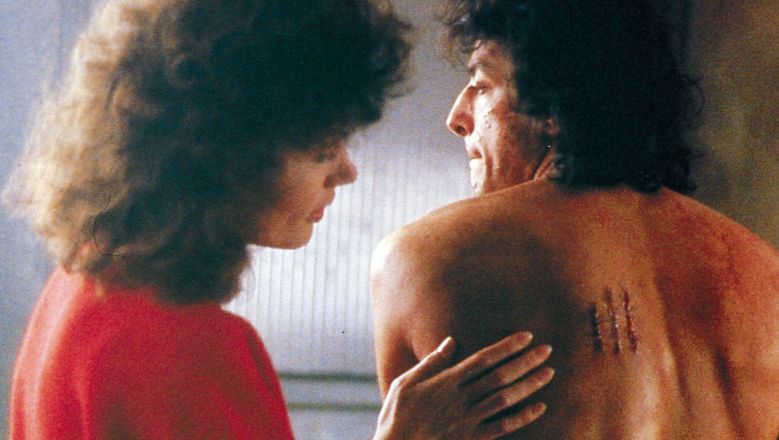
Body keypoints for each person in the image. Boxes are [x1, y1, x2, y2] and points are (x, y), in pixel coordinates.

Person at [2, 0, 556, 439]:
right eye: (321, 150)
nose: (346, 171)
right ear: (226, 154)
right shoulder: (192, 350)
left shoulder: (80, 284)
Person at [370, 0, 779, 438]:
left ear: (553, 109)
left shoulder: (421, 259)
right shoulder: (764, 272)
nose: (457, 117)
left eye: (481, 85)